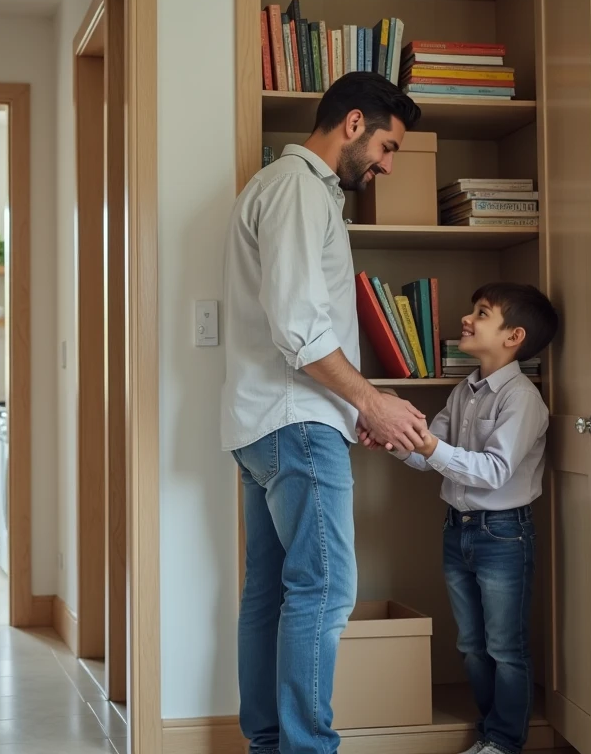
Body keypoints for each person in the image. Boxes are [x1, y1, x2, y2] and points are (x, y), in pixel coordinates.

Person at [220, 71, 426, 754]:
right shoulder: (301, 190)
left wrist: (351, 406)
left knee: (272, 595)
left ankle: (271, 745)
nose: (388, 165)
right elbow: (300, 328)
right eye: (390, 148)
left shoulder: (278, 188)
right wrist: (368, 399)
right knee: (327, 592)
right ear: (355, 122)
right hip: (297, 421)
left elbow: (297, 325)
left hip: (272, 423)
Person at [361, 282, 558, 754]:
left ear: (514, 337)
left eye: (482, 313)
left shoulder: (521, 399)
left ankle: (505, 740)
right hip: (458, 529)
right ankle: (491, 729)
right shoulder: (464, 392)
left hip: (504, 534)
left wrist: (428, 446)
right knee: (471, 642)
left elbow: (493, 471)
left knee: (505, 646)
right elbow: (432, 455)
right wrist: (398, 441)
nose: (467, 320)